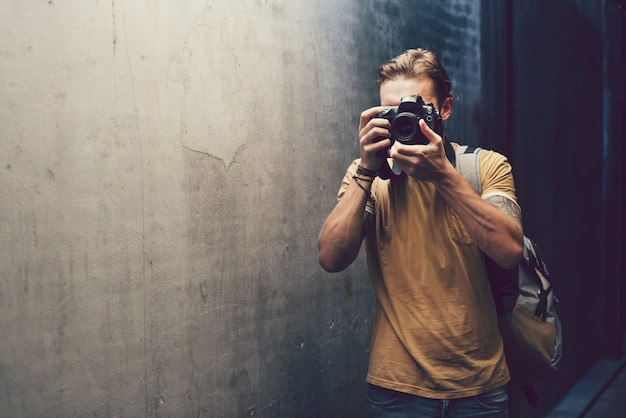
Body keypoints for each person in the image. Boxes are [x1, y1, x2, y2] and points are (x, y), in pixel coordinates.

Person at [317, 48, 524, 417]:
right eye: (393, 112)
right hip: (396, 389)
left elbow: (509, 251)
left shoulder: (487, 166)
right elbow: (331, 257)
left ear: (444, 109)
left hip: (479, 389)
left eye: (416, 110)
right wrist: (366, 169)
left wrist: (443, 175)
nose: (404, 121)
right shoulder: (368, 177)